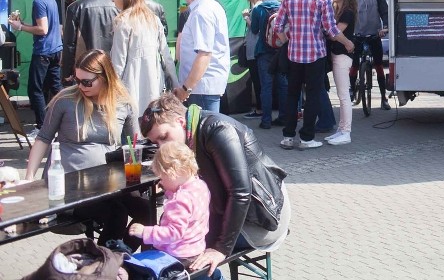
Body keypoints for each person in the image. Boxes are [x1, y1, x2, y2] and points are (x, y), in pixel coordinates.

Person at [139, 94, 290, 277]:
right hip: (234, 212)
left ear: (180, 121)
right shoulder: (190, 134)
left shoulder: (217, 128)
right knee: (174, 238)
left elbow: (240, 193)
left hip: (261, 218)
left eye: (164, 137)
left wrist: (220, 249)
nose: (162, 146)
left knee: (181, 250)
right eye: (156, 143)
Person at [24, 49, 149, 246]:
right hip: (71, 186)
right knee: (116, 213)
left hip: (109, 183)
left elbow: (133, 145)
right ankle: (104, 265)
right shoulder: (65, 100)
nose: (81, 86)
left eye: (87, 82)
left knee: (145, 209)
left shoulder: (123, 104)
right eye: (77, 79)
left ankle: (119, 258)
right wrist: (29, 180)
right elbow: (43, 138)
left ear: (105, 77)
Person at [276, 0, 354, 150]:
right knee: (312, 96)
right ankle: (306, 138)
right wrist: (347, 43)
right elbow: (331, 30)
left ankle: (288, 136)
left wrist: (288, 42)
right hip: (315, 55)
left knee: (292, 95)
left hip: (294, 54)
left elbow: (278, 27)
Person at [128, 141, 211, 267]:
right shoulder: (200, 186)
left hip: (177, 254)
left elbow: (174, 233)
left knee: (135, 266)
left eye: (161, 178)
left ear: (171, 173)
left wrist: (145, 232)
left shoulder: (180, 199)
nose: (161, 182)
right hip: (196, 249)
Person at [9, 0, 63, 136]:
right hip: (55, 49)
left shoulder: (39, 1)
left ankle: (42, 127)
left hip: (44, 51)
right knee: (56, 89)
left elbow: (42, 29)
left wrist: (20, 27)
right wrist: (23, 23)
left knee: (35, 90)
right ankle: (67, 121)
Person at [111, 0, 177, 112]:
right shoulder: (153, 18)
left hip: (131, 82)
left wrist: (112, 88)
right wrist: (175, 82)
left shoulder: (123, 21)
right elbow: (166, 55)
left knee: (132, 126)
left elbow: (119, 61)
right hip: (154, 79)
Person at [173, 0, 230, 113]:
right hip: (202, 86)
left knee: (202, 133)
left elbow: (204, 54)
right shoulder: (208, 7)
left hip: (201, 88)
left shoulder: (202, 12)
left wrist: (186, 88)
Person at [61, 0, 118, 83]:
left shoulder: (75, 7)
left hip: (87, 63)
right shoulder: (115, 4)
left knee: (87, 96)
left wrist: (67, 71)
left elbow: (69, 43)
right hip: (112, 62)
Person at [349, 0, 391, 111]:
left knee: (379, 65)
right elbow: (347, 14)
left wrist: (384, 28)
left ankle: (383, 97)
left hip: (374, 35)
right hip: (357, 36)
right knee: (354, 65)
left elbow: (385, 12)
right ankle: (351, 90)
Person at [250, 0, 288, 129]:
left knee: (266, 86)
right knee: (283, 85)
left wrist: (249, 20)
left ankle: (266, 120)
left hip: (264, 52)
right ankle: (283, 117)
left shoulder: (259, 9)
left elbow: (254, 30)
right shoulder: (282, 7)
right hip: (281, 51)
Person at [326, 0, 357, 145]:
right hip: (337, 54)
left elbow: (334, 34)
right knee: (341, 94)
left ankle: (346, 132)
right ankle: (341, 129)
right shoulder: (337, 11)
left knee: (344, 95)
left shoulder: (347, 12)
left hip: (342, 56)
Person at [241, 0, 263, 120]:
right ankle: (261, 109)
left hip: (255, 49)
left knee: (257, 80)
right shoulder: (261, 7)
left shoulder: (257, 8)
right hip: (258, 49)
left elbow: (255, 28)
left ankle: (260, 109)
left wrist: (246, 17)